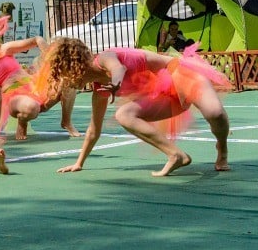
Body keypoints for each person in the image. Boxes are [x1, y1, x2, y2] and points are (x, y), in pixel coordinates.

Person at [36, 38, 231, 177]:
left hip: (179, 73)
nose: (67, 82)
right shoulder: (100, 89)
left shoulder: (104, 58)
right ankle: (176, 155)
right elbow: (93, 130)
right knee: (124, 114)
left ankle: (221, 147)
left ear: (74, 65)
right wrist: (79, 163)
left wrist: (117, 83)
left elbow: (118, 68)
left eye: (65, 74)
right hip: (164, 97)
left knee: (215, 113)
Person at [0, 16, 79, 141]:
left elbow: (37, 40)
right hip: (15, 99)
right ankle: (22, 123)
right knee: (31, 108)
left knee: (68, 82)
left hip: (34, 85)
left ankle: (66, 122)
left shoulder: (4, 49)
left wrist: (49, 56)